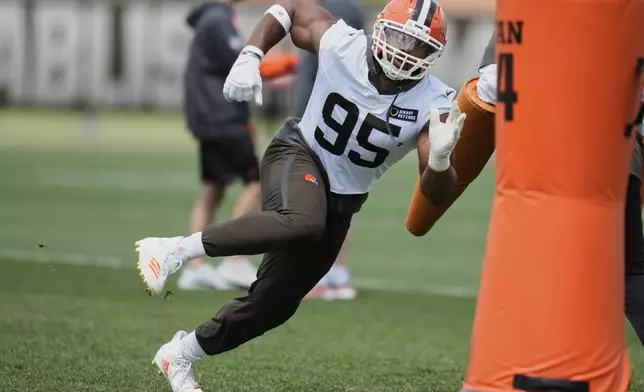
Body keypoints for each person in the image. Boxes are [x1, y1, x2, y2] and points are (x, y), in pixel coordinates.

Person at [135, 0, 465, 390]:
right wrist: (251, 53)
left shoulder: (434, 101)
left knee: (273, 304)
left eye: (418, 47)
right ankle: (174, 250)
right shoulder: (344, 45)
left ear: (434, 55)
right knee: (305, 221)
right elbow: (292, 8)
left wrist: (442, 160)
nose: (405, 53)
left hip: (342, 201)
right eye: (400, 38)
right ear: (380, 30)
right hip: (299, 151)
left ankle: (180, 355)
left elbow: (436, 192)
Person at [407, 34, 644, 345]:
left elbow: (492, 86)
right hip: (617, 147)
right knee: (623, 267)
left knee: (557, 267)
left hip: (557, 151)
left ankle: (543, 365)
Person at [179, 0, 260, 291]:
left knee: (213, 188)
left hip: (209, 119)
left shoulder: (210, 20)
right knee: (258, 182)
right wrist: (287, 64)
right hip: (222, 119)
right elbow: (242, 64)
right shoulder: (217, 20)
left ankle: (195, 267)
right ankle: (235, 259)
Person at [292, 0, 365, 300]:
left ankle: (318, 274)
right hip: (344, 114)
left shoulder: (330, 7)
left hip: (324, 114)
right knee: (340, 195)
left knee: (312, 199)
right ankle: (336, 271)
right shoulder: (350, 7)